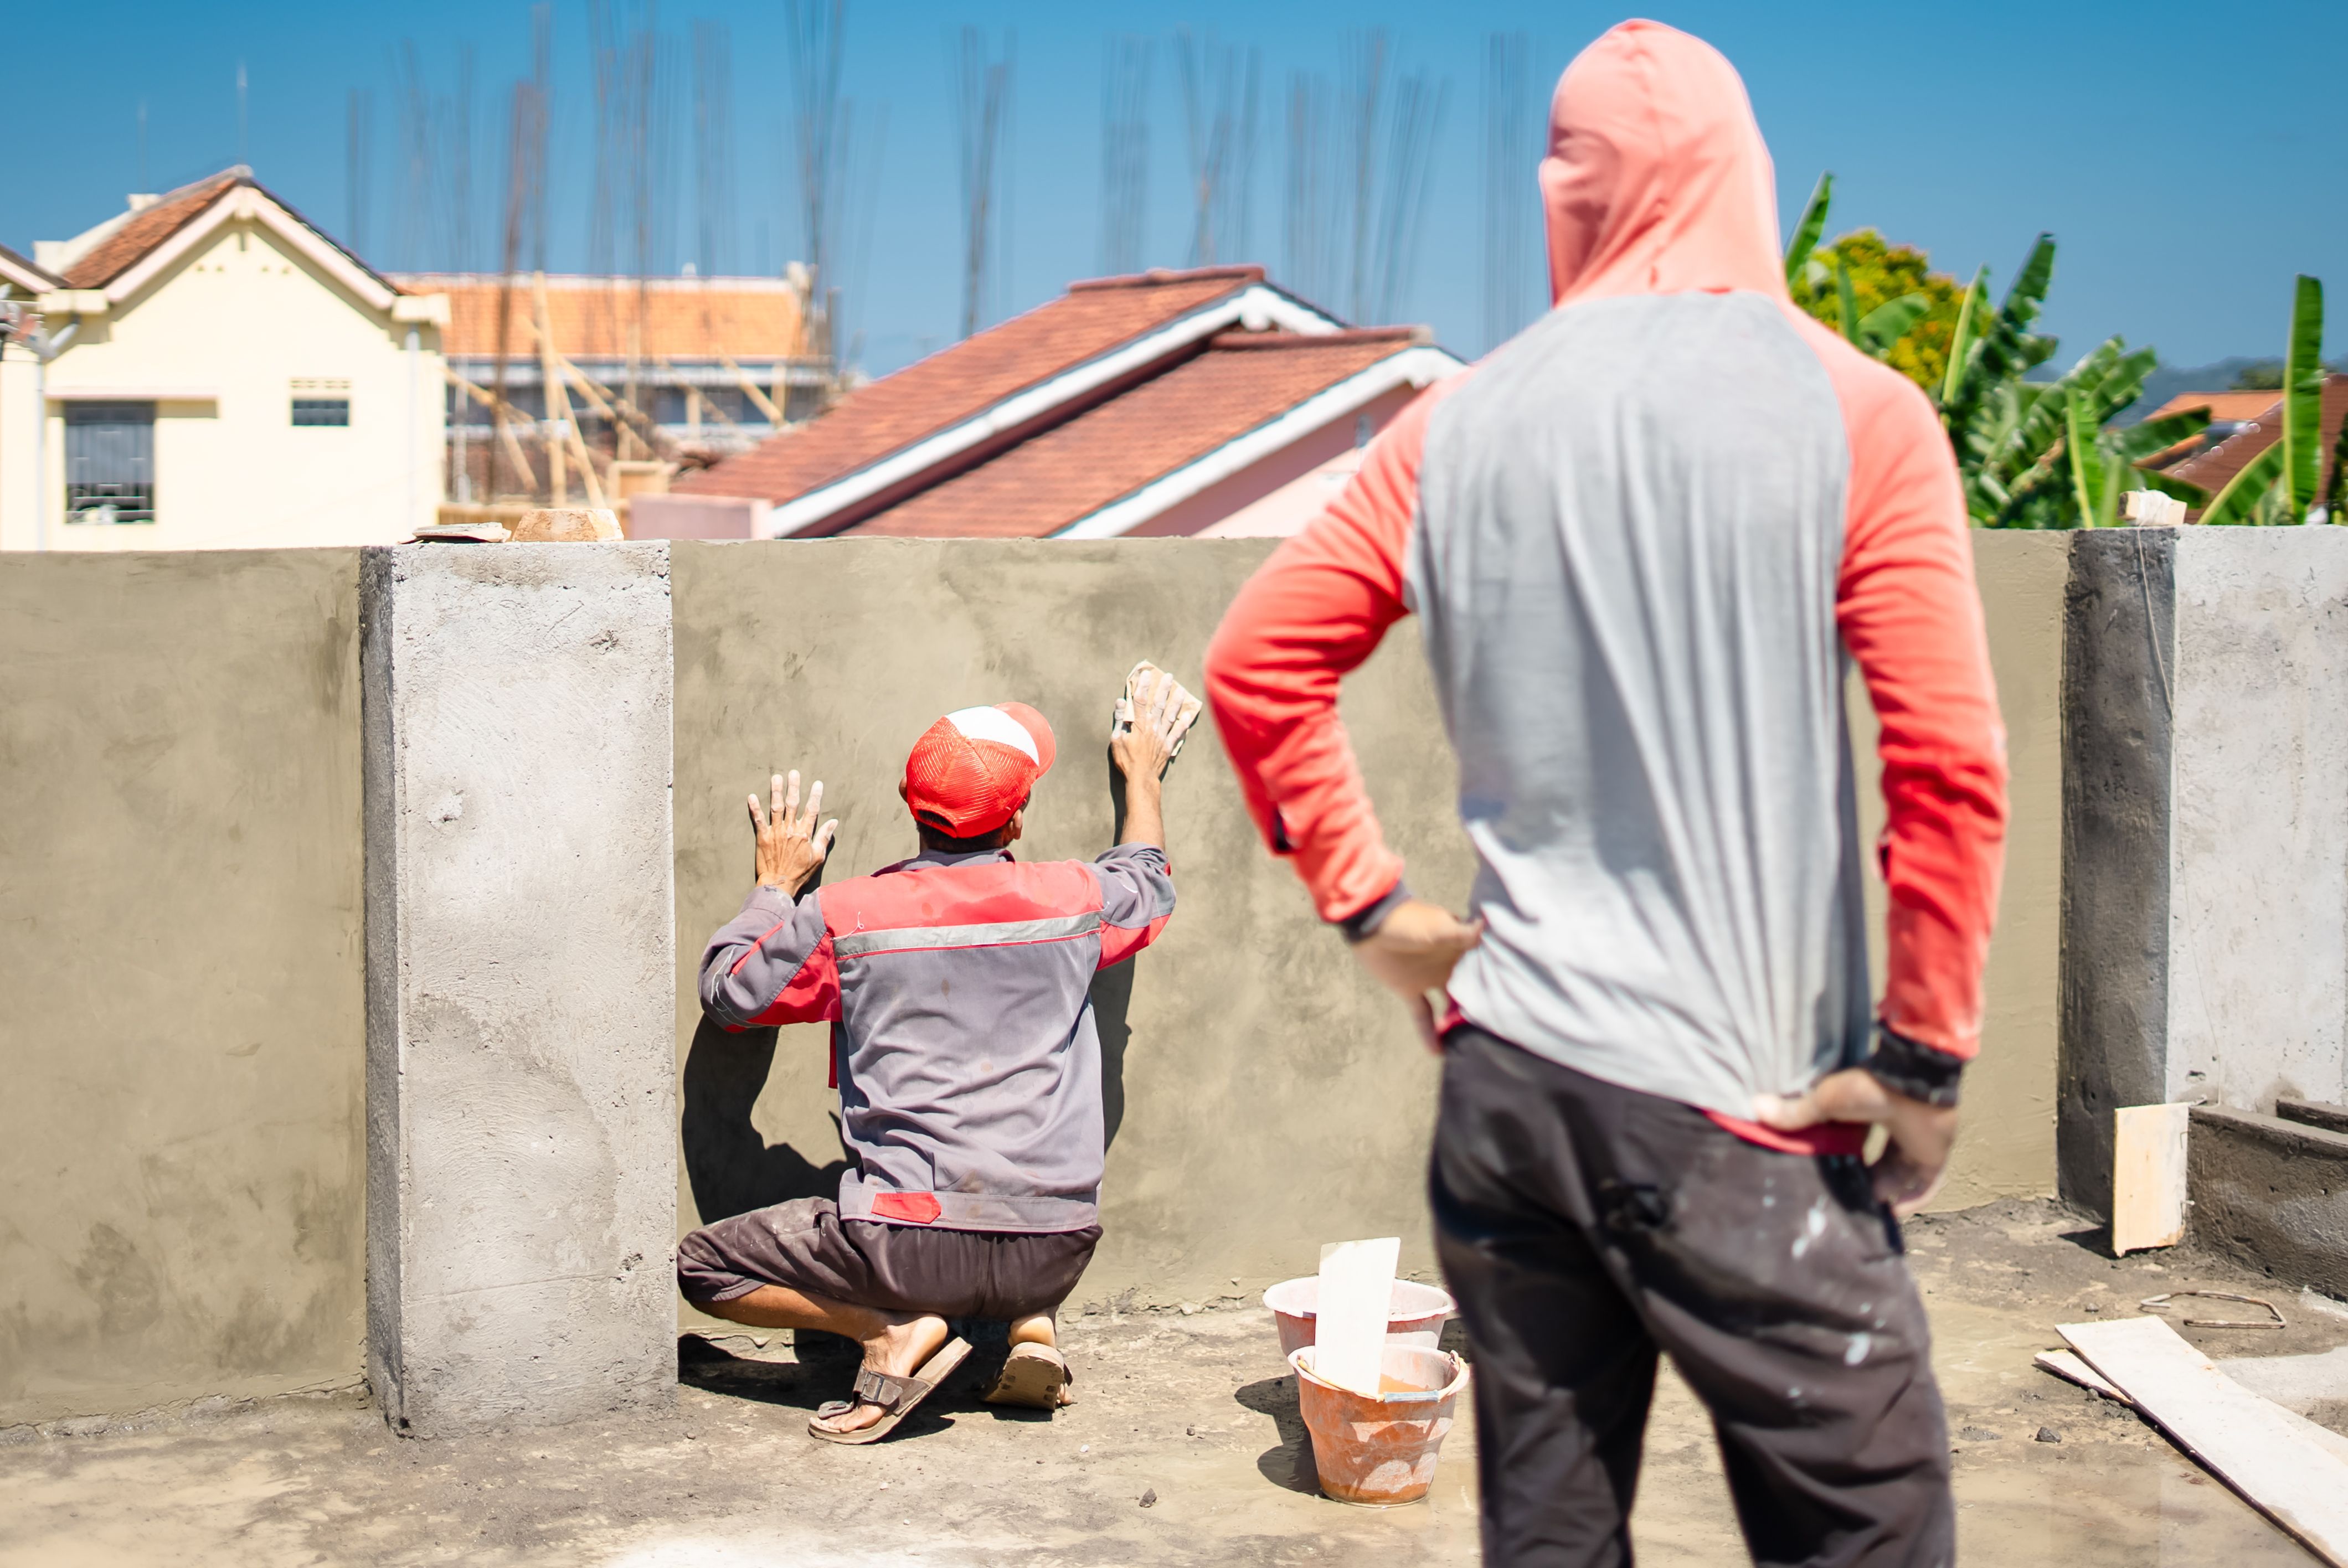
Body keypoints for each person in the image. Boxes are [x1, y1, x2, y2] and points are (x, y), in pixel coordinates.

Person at [1203, 21, 2006, 1567]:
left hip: (1506, 1094)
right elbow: (1949, 762)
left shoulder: (1454, 426)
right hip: (1738, 1110)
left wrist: (1373, 907)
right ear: (1742, 178)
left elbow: (1255, 664)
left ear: (1566, 197)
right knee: (1871, 1523)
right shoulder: (1856, 410)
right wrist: (1922, 1058)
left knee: (1552, 1536)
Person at [678, 673, 1196, 1444]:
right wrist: (1144, 773)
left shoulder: (845, 915)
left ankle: (893, 1332)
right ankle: (1030, 1326)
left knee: (701, 1266)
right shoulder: (1074, 898)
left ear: (905, 798)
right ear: (1017, 820)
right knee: (1014, 1172)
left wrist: (775, 888)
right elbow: (1147, 880)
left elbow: (731, 995)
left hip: (911, 1249)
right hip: (1057, 1246)